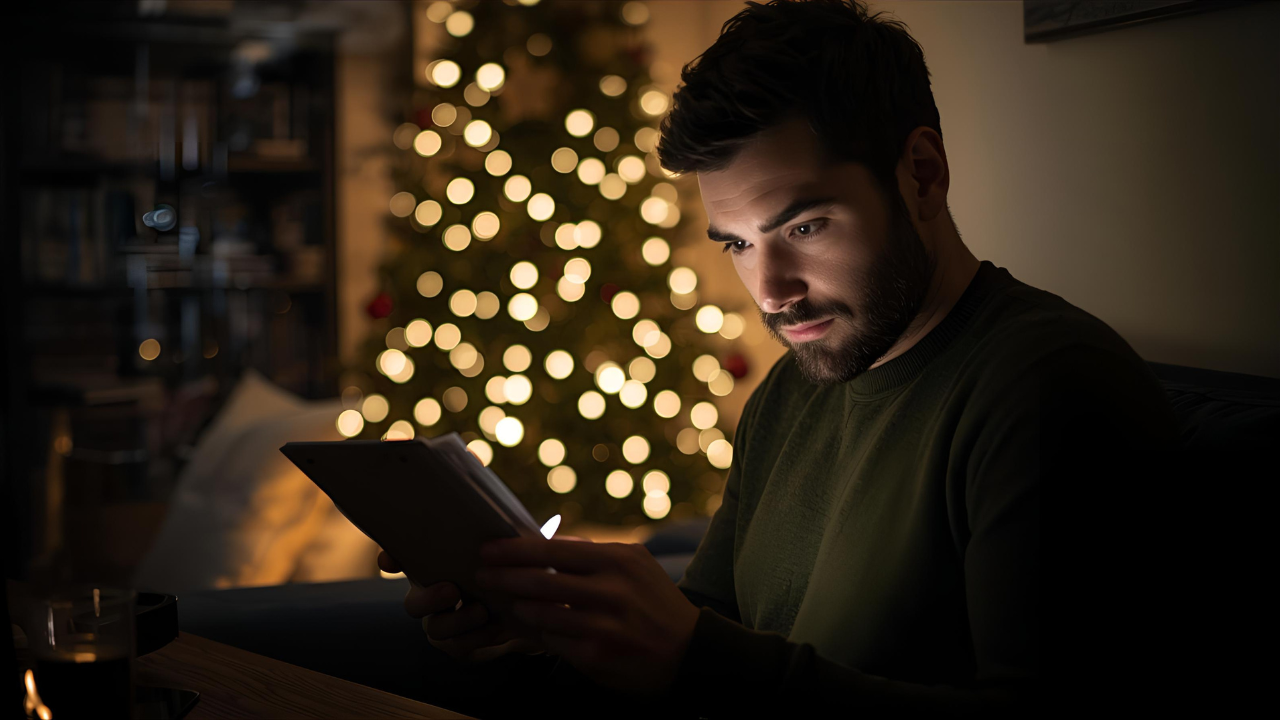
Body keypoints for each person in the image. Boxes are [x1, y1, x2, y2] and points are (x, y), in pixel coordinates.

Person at [381, 0, 1187, 716]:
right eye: (737, 244)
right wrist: (548, 632)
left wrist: (695, 659)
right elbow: (711, 624)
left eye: (804, 228)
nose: (771, 292)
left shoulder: (1048, 387)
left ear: (923, 176)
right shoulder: (791, 391)